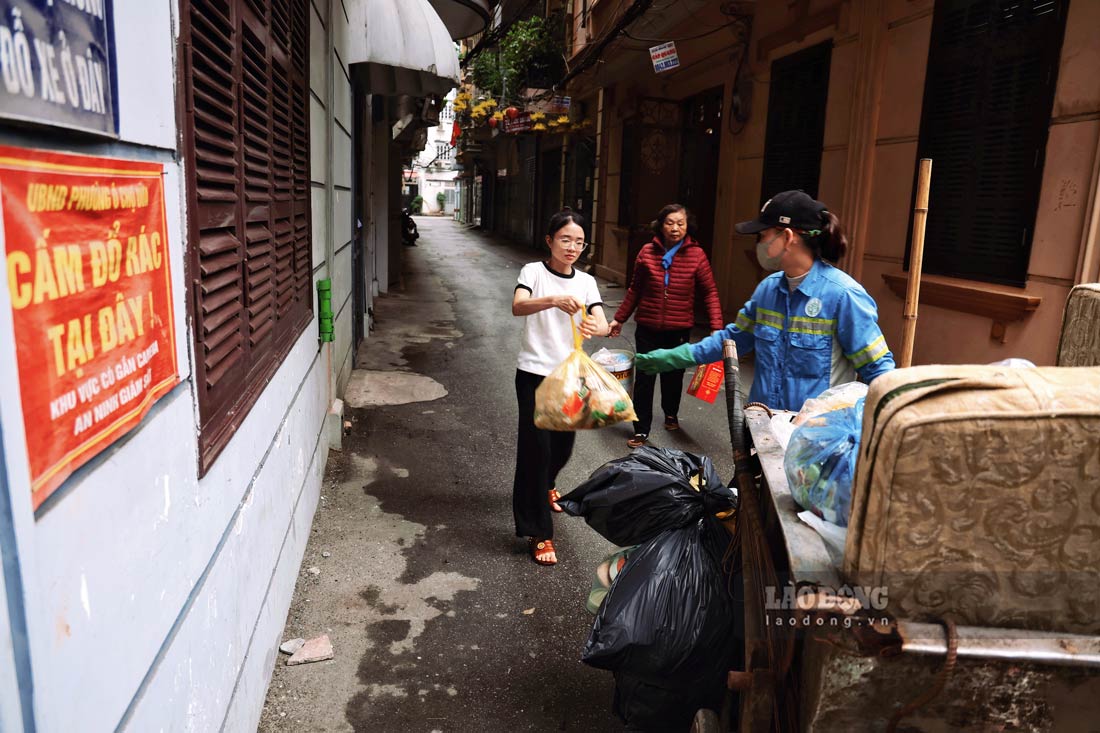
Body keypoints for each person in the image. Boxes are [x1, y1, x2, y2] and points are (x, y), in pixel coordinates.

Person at [635, 190, 894, 411]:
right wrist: (678, 356)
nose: (759, 242)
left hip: (814, 440)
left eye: (763, 235)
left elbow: (878, 370)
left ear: (788, 237)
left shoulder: (843, 295)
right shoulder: (767, 290)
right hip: (761, 426)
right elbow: (733, 339)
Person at [512, 209, 610, 566]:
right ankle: (538, 531)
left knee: (562, 446)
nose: (572, 247)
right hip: (534, 374)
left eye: (579, 242)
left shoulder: (585, 282)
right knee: (535, 451)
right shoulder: (533, 273)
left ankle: (546, 484)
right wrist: (553, 299)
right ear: (550, 240)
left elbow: (601, 322)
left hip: (570, 376)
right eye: (565, 239)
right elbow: (518, 306)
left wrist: (595, 326)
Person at [609, 204, 724, 449]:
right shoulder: (647, 252)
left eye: (680, 223)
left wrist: (716, 326)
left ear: (687, 226)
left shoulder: (697, 255)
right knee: (645, 379)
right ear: (661, 225)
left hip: (678, 328)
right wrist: (619, 318)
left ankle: (671, 414)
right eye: (670, 223)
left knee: (673, 376)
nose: (675, 228)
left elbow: (710, 292)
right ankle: (641, 428)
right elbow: (635, 289)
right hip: (648, 326)